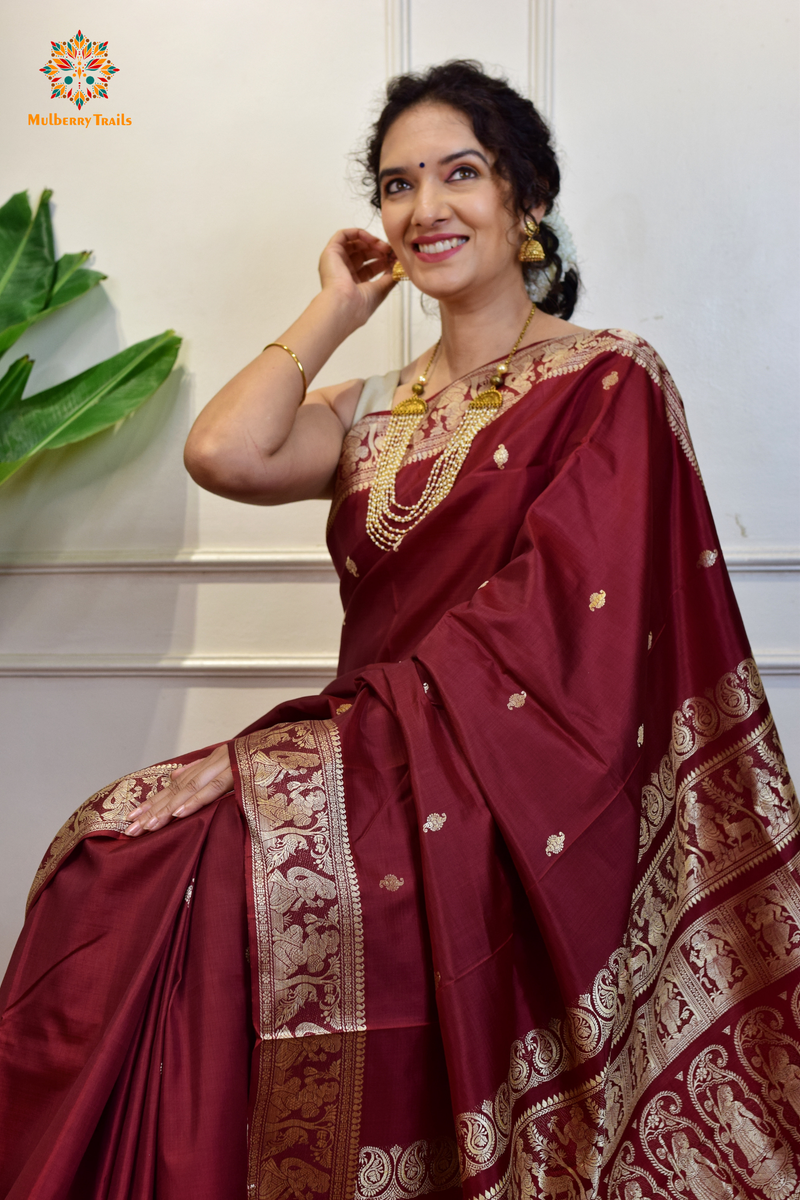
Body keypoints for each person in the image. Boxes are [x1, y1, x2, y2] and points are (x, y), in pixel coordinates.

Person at [0, 60, 797, 1200]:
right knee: (115, 855)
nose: (425, 208)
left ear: (525, 203)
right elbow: (223, 452)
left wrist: (353, 760)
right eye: (396, 183)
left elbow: (579, 646)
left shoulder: (604, 378)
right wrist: (335, 307)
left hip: (513, 788)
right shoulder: (374, 406)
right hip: (373, 765)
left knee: (203, 871)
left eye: (459, 174)